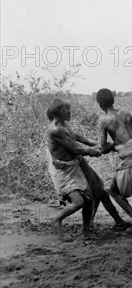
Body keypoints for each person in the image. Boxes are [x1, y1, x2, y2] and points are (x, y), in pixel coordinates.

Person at [96, 88, 132, 234]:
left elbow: (103, 146)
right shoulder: (126, 112)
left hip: (129, 157)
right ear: (113, 100)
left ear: (99, 104)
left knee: (113, 191)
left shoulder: (103, 120)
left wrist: (115, 147)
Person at [46, 98, 104, 240]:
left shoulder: (64, 125)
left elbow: (78, 138)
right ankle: (57, 220)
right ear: (61, 111)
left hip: (73, 166)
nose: (70, 112)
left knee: (89, 198)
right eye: (68, 109)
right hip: (63, 170)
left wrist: (97, 144)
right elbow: (74, 147)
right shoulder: (54, 130)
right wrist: (93, 151)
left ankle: (86, 231)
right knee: (78, 201)